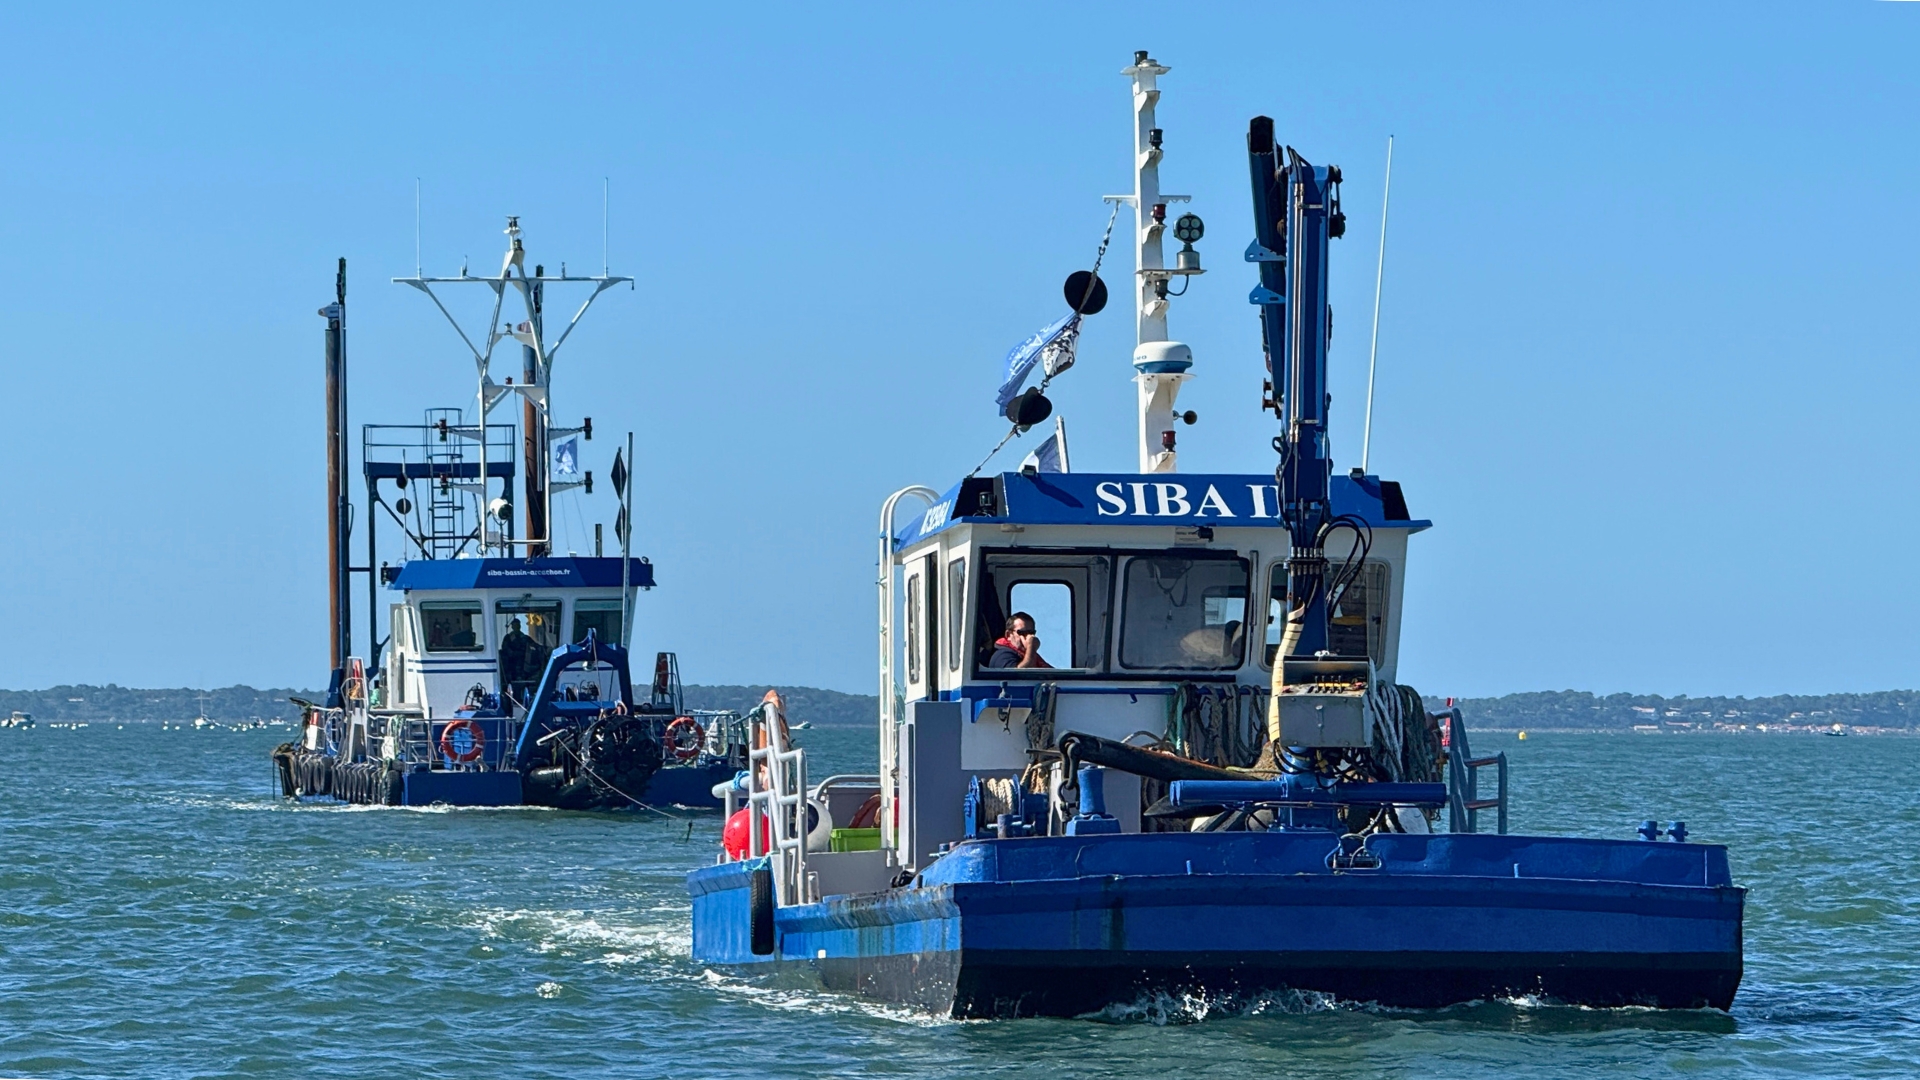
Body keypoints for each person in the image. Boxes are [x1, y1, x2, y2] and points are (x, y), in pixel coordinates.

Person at [498, 617, 543, 704]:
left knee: (525, 683)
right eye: (514, 625)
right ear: (512, 626)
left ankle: (526, 698)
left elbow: (535, 646)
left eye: (518, 625)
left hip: (524, 666)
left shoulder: (525, 638)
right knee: (513, 683)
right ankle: (514, 700)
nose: (516, 627)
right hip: (511, 666)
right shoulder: (508, 638)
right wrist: (514, 654)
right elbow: (505, 649)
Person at [986, 612, 1051, 669]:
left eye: (1031, 632)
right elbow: (1021, 676)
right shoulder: (1002, 655)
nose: (1028, 637)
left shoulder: (1030, 654)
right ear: (1008, 635)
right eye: (1021, 633)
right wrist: (1031, 647)